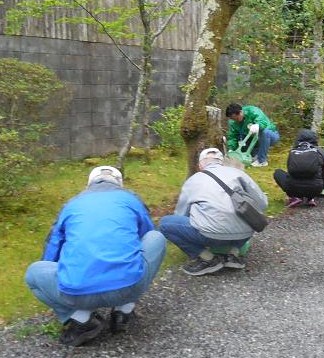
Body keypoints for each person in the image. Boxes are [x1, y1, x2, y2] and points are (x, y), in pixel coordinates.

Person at [25, 166, 166, 347]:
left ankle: (81, 318)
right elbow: (146, 233)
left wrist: (63, 272)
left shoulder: (71, 204)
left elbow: (53, 248)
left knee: (33, 273)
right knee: (157, 237)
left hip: (75, 294)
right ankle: (124, 310)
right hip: (129, 287)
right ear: (119, 183)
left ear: (89, 184)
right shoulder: (131, 199)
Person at [159, 148, 268, 276]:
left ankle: (207, 258)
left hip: (210, 235)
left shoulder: (193, 180)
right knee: (248, 218)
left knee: (165, 224)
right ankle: (233, 254)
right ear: (221, 162)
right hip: (244, 233)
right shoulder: (238, 173)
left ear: (200, 165)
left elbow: (180, 213)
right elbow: (263, 203)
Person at [273, 129, 324, 208]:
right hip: (316, 189)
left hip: (293, 188)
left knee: (277, 172)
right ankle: (310, 198)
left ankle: (295, 197)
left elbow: (290, 171)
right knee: (317, 178)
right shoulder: (321, 152)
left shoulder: (293, 151)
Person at [225, 103, 280, 167]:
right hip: (253, 141)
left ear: (241, 112)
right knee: (249, 154)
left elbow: (263, 122)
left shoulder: (253, 111)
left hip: (270, 136)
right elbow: (232, 136)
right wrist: (231, 148)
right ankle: (256, 155)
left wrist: (258, 126)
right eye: (232, 119)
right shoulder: (233, 122)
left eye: (236, 118)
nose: (235, 121)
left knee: (264, 132)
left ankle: (261, 161)